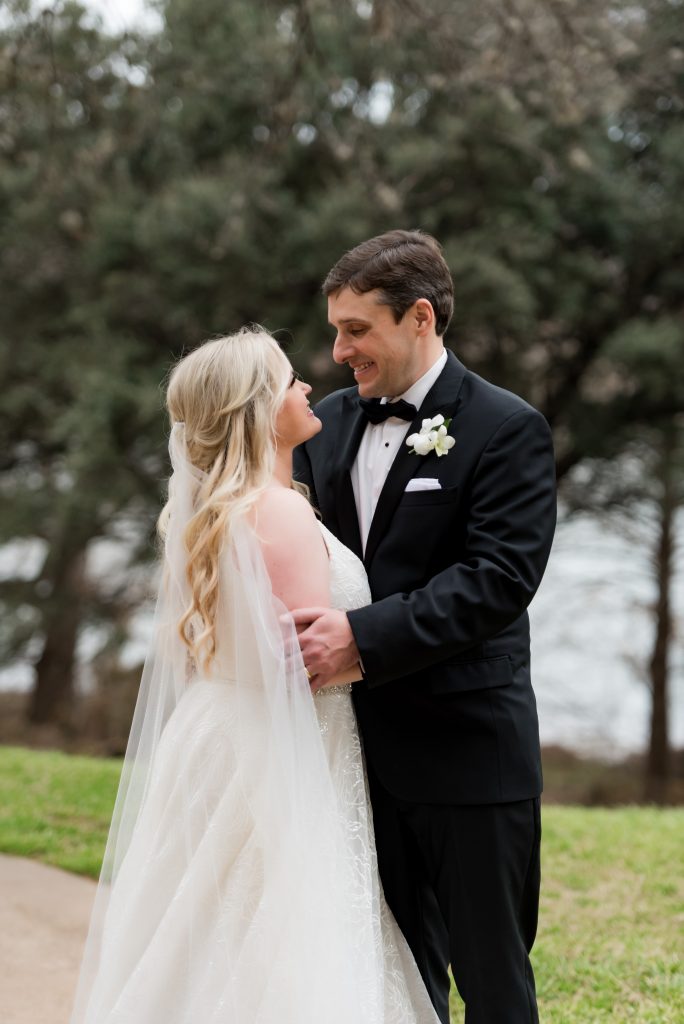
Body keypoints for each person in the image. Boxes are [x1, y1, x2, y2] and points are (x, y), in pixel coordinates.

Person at [70, 327, 439, 1024]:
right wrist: (389, 653)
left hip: (213, 731)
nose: (306, 387)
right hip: (281, 746)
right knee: (275, 933)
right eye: (289, 380)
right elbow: (307, 668)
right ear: (259, 408)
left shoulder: (201, 513)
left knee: (198, 928)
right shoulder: (281, 512)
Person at [293, 229, 557, 1024]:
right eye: (335, 328)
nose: (338, 350)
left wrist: (361, 641)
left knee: (494, 984)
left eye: (355, 329)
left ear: (419, 319)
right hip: (359, 763)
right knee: (393, 987)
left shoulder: (507, 428)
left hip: (471, 756)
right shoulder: (326, 424)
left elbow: (497, 581)